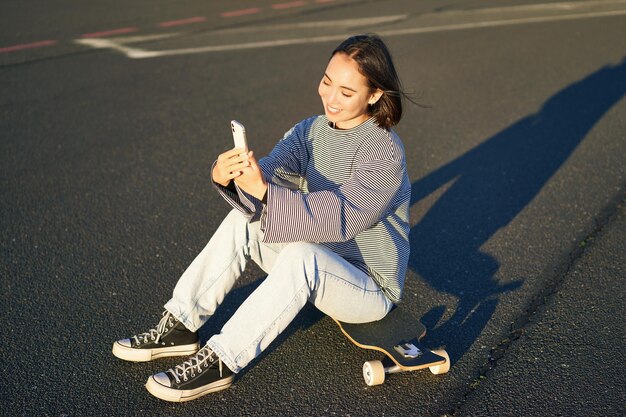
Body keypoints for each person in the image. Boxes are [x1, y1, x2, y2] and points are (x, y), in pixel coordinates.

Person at [112, 33, 412, 402]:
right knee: (244, 221)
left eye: (346, 93)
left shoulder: (384, 150)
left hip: (367, 286)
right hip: (318, 259)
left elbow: (343, 217)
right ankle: (181, 325)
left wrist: (267, 193)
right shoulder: (311, 131)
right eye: (327, 81)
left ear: (375, 95)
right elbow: (271, 171)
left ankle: (221, 360)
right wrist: (233, 175)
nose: (331, 98)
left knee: (303, 255)